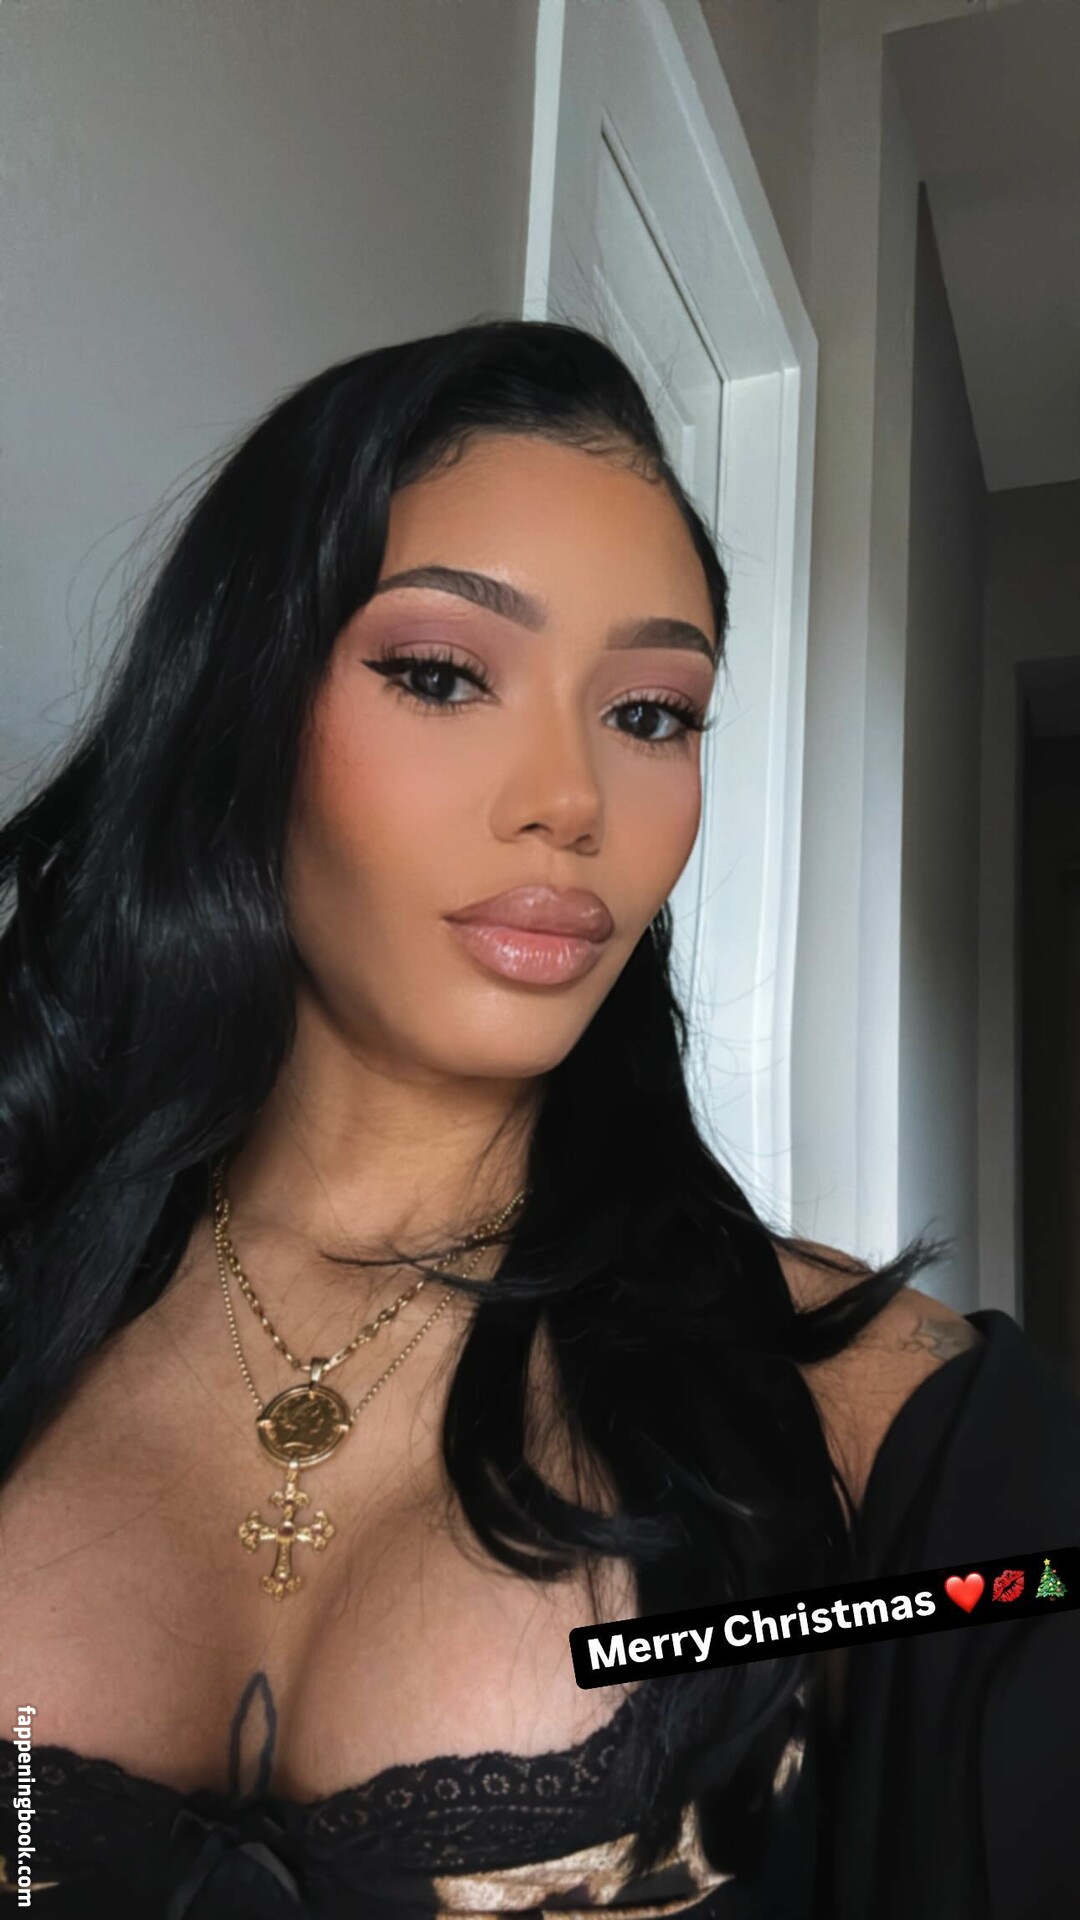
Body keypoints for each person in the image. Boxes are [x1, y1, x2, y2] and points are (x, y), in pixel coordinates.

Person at [0, 320, 1077, 1920]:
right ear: (241, 705)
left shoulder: (886, 1431)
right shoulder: (34, 1277)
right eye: (442, 676)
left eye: (650, 712)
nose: (572, 800)